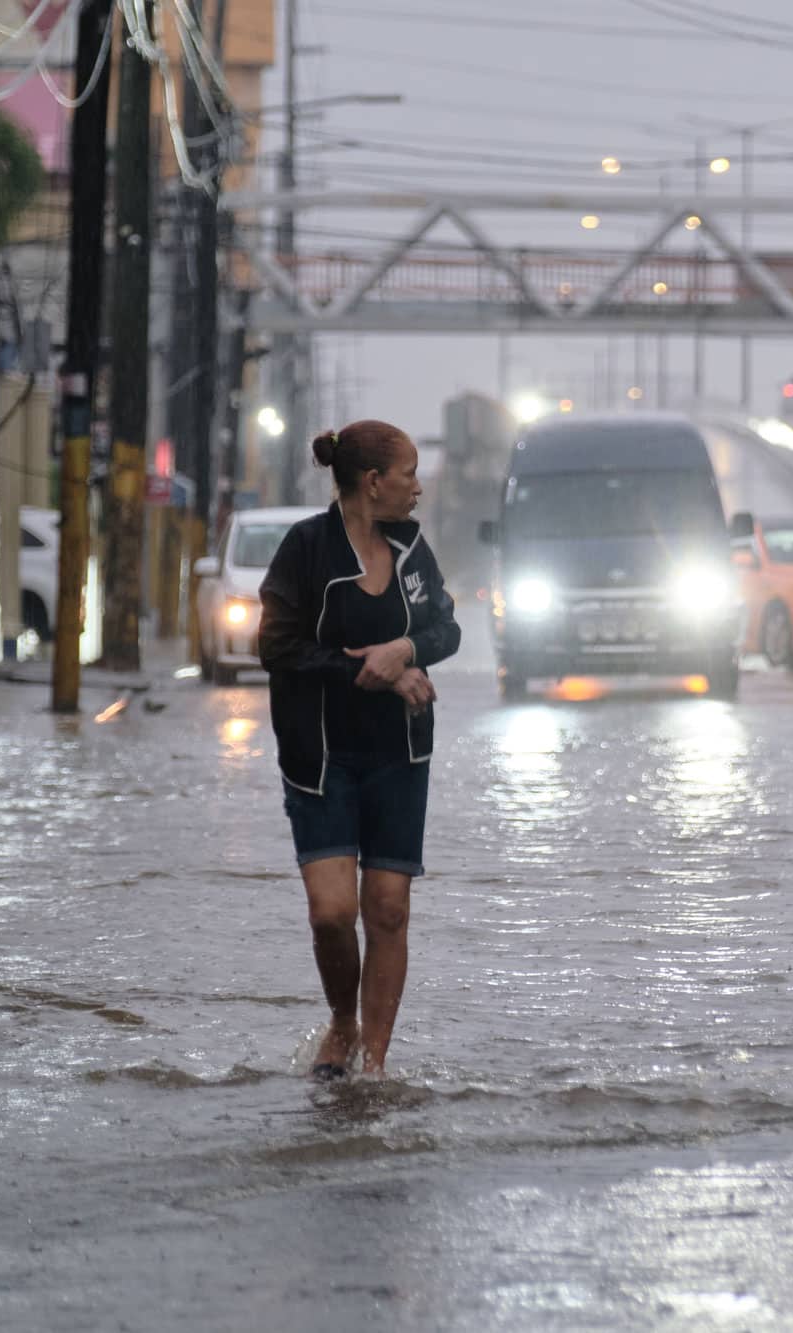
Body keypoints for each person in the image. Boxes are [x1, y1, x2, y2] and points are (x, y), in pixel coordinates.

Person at [257, 420, 461, 1080]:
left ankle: (372, 1063)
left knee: (389, 908)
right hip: (320, 757)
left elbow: (446, 627)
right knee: (333, 911)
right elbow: (277, 647)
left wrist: (406, 650)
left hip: (398, 754)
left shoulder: (410, 551)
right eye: (409, 475)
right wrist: (367, 670)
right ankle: (342, 1019)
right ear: (373, 483)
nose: (418, 488)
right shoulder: (306, 548)